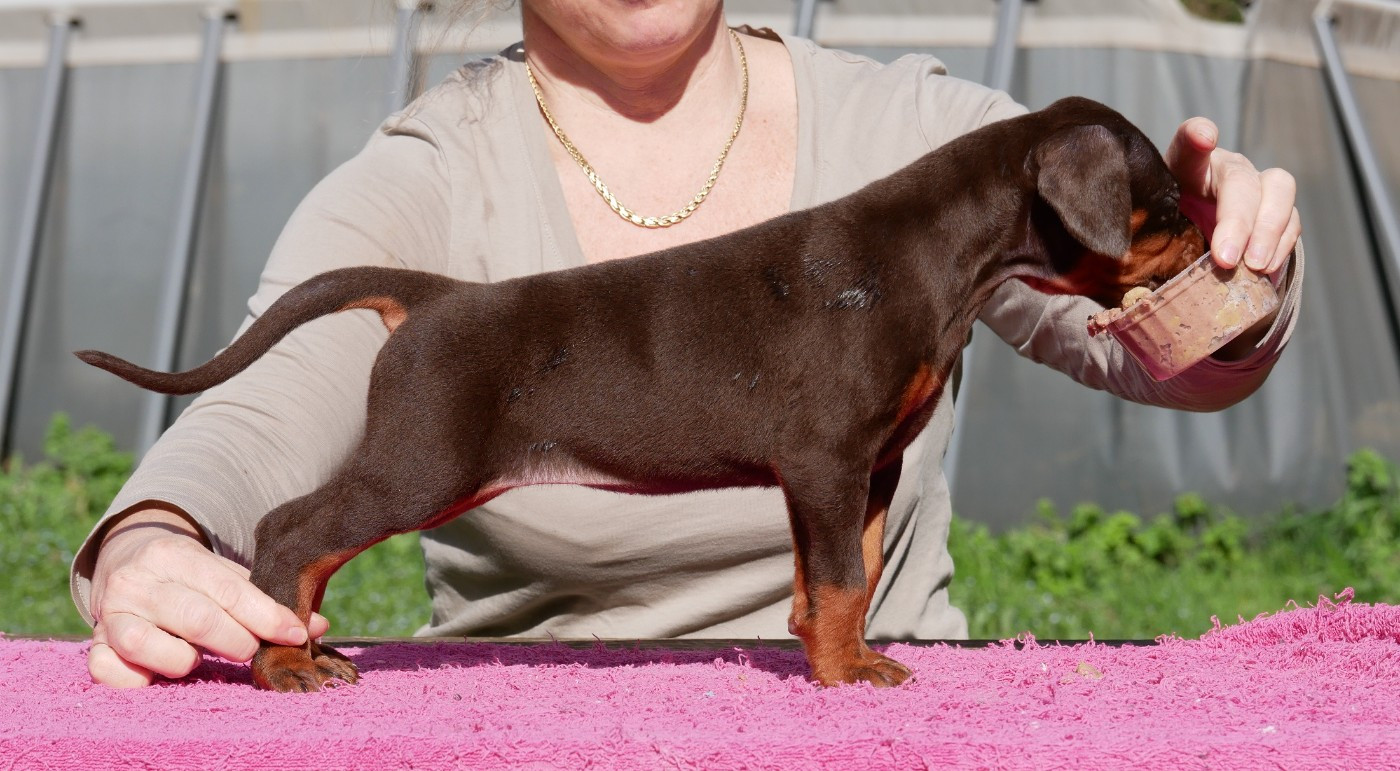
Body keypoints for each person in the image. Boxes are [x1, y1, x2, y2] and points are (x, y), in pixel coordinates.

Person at [72, 0, 1303, 688]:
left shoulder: (942, 139)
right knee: (396, 485)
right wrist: (149, 541)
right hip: (532, 713)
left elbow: (1158, 352)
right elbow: (253, 422)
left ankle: (839, 635)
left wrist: (1231, 274)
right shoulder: (427, 174)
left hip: (906, 706)